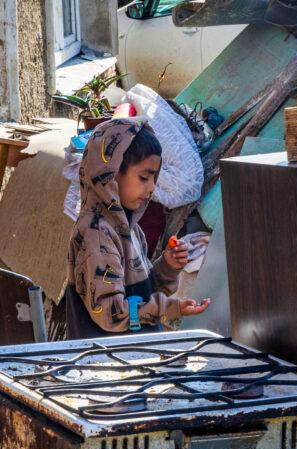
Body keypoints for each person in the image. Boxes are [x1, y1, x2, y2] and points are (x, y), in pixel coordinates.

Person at [66, 117, 210, 339]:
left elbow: (142, 294)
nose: (152, 188)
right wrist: (170, 308)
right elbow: (111, 314)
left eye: (154, 178)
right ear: (111, 175)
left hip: (133, 356)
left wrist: (167, 267)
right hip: (105, 363)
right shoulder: (96, 235)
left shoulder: (131, 229)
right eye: (144, 178)